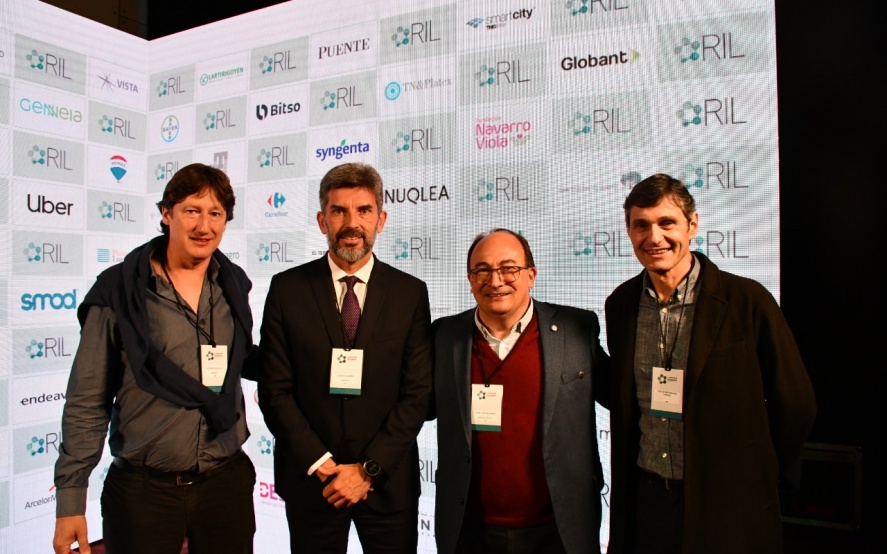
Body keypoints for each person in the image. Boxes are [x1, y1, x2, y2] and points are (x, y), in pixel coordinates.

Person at [604, 174, 816, 553]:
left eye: (666, 222)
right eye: (641, 225)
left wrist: (757, 474)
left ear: (692, 225)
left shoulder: (747, 301)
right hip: (648, 502)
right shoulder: (620, 304)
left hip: (727, 504)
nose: (654, 237)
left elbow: (796, 404)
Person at [52, 163, 257, 554]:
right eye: (192, 211)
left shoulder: (233, 283)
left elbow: (240, 358)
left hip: (226, 484)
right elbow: (88, 399)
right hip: (143, 494)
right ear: (167, 214)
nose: (204, 226)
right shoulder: (118, 290)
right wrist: (71, 500)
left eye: (215, 214)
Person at [257, 162, 432, 552]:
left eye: (364, 210)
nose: (352, 223)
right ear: (322, 220)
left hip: (387, 485)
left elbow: (417, 394)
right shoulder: (287, 289)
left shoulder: (410, 293)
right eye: (339, 211)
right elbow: (274, 390)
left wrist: (368, 470)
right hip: (313, 484)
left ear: (381, 219)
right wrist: (322, 464)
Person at [431, 229, 610, 554]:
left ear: (531, 275)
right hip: (470, 530)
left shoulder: (575, 330)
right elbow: (416, 406)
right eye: (482, 270)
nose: (495, 280)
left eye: (509, 268)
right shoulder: (444, 336)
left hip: (560, 529)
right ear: (470, 280)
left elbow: (620, 398)